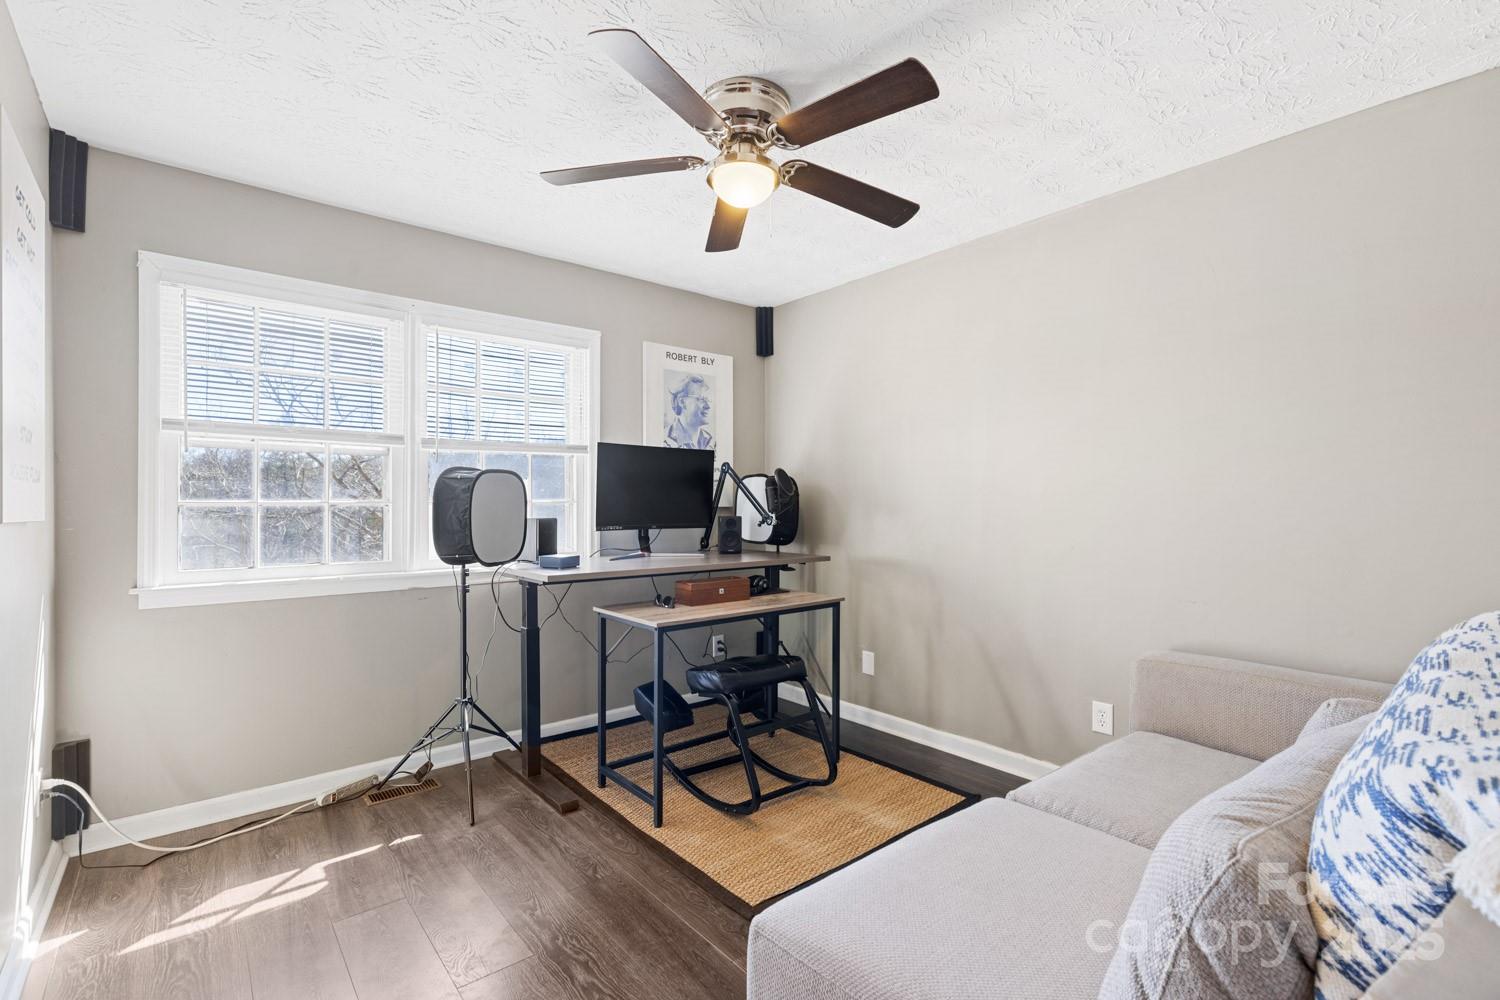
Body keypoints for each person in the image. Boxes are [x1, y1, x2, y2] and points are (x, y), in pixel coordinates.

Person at [664, 373, 715, 450]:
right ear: (682, 402)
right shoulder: (665, 442)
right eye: (701, 399)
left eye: (707, 400)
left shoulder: (712, 442)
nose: (708, 406)